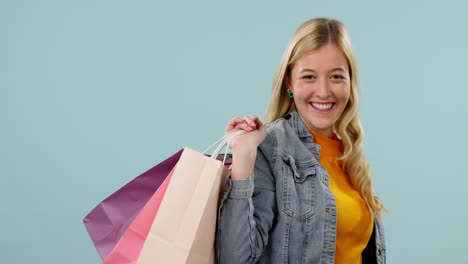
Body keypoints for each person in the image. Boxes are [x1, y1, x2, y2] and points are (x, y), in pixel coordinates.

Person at [216, 17, 387, 264]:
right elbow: (235, 259)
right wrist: (243, 158)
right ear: (289, 82)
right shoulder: (269, 148)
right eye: (309, 77)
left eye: (336, 77)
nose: (324, 91)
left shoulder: (348, 154)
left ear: (350, 82)